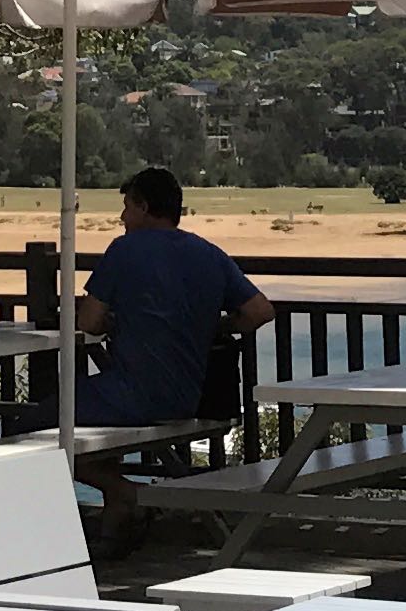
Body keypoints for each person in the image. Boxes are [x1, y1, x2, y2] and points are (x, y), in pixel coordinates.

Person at [72, 169, 274, 433]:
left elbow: (88, 322)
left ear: (144, 207)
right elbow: (260, 311)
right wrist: (214, 326)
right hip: (189, 400)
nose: (122, 217)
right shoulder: (209, 253)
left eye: (127, 207)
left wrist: (114, 324)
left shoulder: (124, 249)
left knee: (40, 417)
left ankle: (78, 460)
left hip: (131, 397)